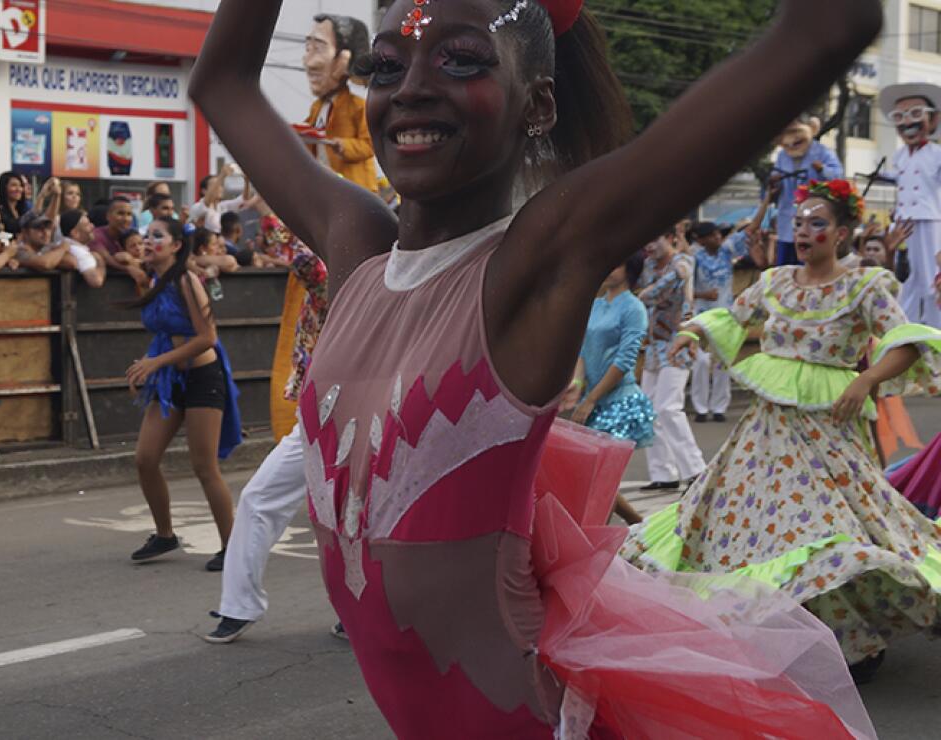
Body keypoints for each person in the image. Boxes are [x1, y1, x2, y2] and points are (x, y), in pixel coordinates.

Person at [191, 0, 881, 735]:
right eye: (387, 67)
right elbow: (223, 83)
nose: (414, 87)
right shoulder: (356, 245)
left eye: (461, 60)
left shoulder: (532, 264)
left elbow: (828, 27)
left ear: (539, 105)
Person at [626, 178, 941, 684]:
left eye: (818, 223)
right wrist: (689, 332)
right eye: (799, 222)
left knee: (828, 531)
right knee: (747, 528)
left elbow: (907, 340)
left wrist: (868, 378)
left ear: (841, 235)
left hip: (829, 431)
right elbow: (731, 319)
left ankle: (847, 638)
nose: (804, 230)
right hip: (765, 431)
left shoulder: (864, 285)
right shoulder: (775, 281)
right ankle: (768, 632)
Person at [207, 229, 330, 644]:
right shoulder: (350, 267)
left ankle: (363, 614)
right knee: (259, 498)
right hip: (317, 413)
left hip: (356, 413)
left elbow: (297, 256)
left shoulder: (351, 275)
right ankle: (237, 607)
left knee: (353, 522)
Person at [125, 218, 240, 572]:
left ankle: (232, 547)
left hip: (203, 378)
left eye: (157, 236)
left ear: (176, 246)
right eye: (146, 235)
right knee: (145, 458)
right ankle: (164, 534)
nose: (148, 241)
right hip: (170, 379)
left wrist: (156, 361)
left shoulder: (187, 280)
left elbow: (207, 337)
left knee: (204, 467)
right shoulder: (155, 281)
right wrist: (147, 363)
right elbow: (167, 332)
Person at [567, 253, 653, 525]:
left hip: (620, 403)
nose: (608, 269)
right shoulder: (595, 305)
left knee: (599, 479)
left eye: (616, 264)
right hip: (591, 399)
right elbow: (582, 349)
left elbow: (626, 359)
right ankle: (637, 527)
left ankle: (598, 541)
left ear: (630, 270)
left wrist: (591, 399)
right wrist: (578, 384)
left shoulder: (633, 308)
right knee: (594, 479)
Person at [636, 232, 706, 490]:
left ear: (671, 238)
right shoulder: (649, 265)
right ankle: (663, 473)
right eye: (647, 242)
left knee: (668, 407)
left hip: (679, 342)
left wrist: (646, 293)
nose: (650, 246)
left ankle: (696, 469)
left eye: (655, 239)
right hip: (655, 346)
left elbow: (652, 295)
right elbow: (650, 296)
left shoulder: (683, 263)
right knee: (648, 409)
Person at [880, 82, 941, 328]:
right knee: (907, 282)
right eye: (900, 117)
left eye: (916, 114)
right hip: (904, 225)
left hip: (931, 222)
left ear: (934, 119)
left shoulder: (937, 154)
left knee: (932, 280)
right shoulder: (899, 156)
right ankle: (906, 333)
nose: (907, 122)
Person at [302, 13, 378, 193]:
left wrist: (342, 145)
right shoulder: (317, 107)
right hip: (323, 187)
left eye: (318, 48)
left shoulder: (358, 106)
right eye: (307, 48)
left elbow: (369, 145)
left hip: (355, 189)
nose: (307, 62)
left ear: (344, 59)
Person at [689, 221, 752, 423]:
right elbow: (684, 287)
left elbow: (751, 230)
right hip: (701, 316)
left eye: (718, 234)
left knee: (722, 361)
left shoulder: (726, 251)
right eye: (711, 235)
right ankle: (700, 407)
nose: (717, 237)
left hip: (725, 315)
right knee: (701, 360)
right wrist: (702, 294)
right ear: (700, 239)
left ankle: (719, 407)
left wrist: (767, 199)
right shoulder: (693, 257)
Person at [771, 116, 843, 266]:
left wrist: (822, 169)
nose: (792, 140)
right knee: (785, 267)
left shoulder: (823, 152)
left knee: (810, 262)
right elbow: (773, 185)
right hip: (787, 219)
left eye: (796, 132)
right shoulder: (782, 156)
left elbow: (838, 176)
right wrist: (774, 182)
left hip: (813, 217)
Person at [189, 165, 252, 234]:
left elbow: (245, 199)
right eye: (215, 185)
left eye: (220, 185)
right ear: (204, 191)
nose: (219, 188)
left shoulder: (222, 206)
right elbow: (206, 203)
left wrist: (247, 180)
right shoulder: (197, 207)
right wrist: (222, 176)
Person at [59, 209, 107, 288]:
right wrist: (100, 261)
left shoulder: (62, 245)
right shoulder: (79, 252)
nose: (93, 226)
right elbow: (96, 281)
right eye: (87, 225)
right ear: (75, 233)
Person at [91, 197, 141, 270]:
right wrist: (130, 269)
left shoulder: (132, 236)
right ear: (108, 216)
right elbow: (110, 261)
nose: (126, 219)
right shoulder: (96, 235)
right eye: (120, 213)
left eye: (129, 214)